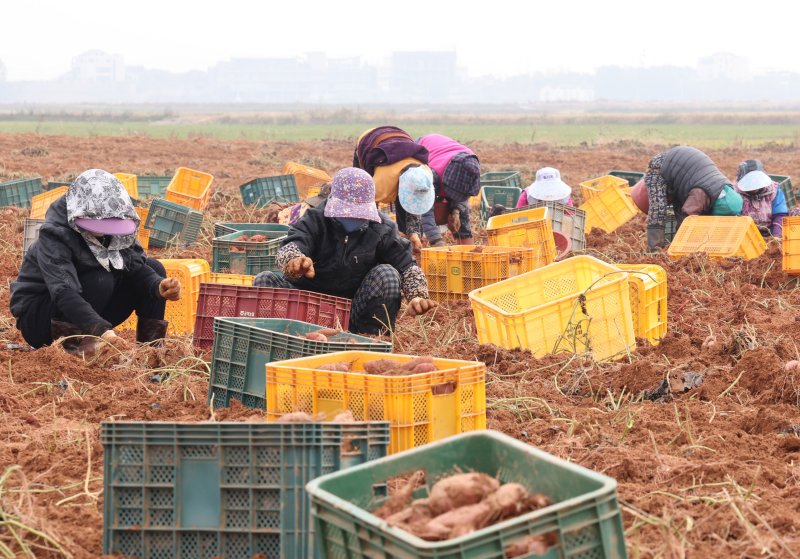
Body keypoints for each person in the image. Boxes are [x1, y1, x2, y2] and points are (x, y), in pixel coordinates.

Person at [10, 169, 182, 353]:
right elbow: (63, 291)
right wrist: (100, 329)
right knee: (100, 279)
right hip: (42, 319)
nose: (105, 231)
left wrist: (158, 285)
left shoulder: (115, 234)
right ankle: (73, 349)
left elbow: (135, 267)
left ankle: (151, 351)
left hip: (89, 310)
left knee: (154, 268)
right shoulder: (54, 236)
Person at [253, 167, 438, 335]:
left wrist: (417, 294)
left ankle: (369, 340)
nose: (352, 216)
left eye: (358, 213)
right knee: (264, 280)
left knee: (388, 275)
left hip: (351, 312)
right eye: (346, 212)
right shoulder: (315, 219)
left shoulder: (382, 229)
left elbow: (407, 265)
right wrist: (294, 260)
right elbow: (292, 244)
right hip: (304, 305)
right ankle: (277, 338)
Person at [636, 146, 743, 250]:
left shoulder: (727, 191)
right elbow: (686, 218)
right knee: (658, 209)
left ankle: (668, 241)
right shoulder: (701, 194)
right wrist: (679, 246)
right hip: (660, 167)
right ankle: (655, 250)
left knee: (676, 211)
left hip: (685, 168)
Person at [353, 126, 436, 254]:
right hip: (370, 140)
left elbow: (414, 202)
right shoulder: (381, 183)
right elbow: (366, 206)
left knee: (408, 206)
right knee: (365, 206)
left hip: (400, 140)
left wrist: (413, 233)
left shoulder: (425, 174)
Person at [417, 133, 481, 246]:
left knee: (462, 217)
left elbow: (462, 191)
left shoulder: (471, 166)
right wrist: (437, 241)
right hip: (421, 150)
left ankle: (467, 252)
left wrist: (456, 211)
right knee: (416, 217)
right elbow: (425, 211)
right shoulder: (430, 176)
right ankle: (417, 243)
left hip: (448, 159)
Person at [734, 159, 788, 238]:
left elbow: (779, 215)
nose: (753, 187)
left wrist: (776, 236)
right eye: (749, 182)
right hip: (746, 235)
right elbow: (735, 218)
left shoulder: (774, 191)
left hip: (770, 231)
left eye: (756, 181)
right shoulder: (735, 193)